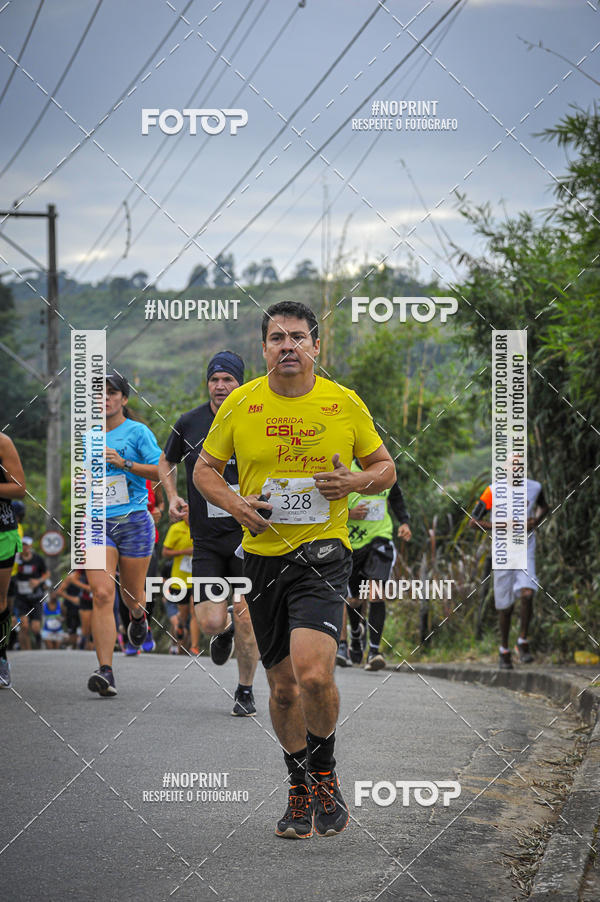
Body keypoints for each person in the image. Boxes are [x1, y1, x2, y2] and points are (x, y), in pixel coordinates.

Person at [193, 301, 396, 839]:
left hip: (324, 555)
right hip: (262, 560)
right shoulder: (240, 404)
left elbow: (385, 470)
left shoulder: (343, 402)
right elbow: (203, 471)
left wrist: (353, 482)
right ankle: (299, 784)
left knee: (313, 674)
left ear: (315, 347)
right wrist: (237, 505)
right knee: (282, 689)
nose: (289, 345)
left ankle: (325, 774)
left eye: (299, 337)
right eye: (278, 337)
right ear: (264, 348)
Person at [158, 350, 260, 717]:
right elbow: (166, 461)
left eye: (227, 380)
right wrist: (172, 496)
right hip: (206, 540)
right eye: (214, 379)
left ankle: (245, 690)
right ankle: (225, 630)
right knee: (211, 622)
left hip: (248, 537)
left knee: (247, 615)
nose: (220, 386)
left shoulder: (255, 420)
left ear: (241, 384)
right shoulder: (190, 423)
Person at [86, 372, 161, 697]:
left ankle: (137, 616)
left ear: (124, 399)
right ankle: (106, 670)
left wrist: (126, 463)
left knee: (131, 595)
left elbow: (163, 471)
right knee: (102, 594)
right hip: (96, 522)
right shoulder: (86, 437)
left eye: (112, 393)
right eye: (99, 394)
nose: (105, 398)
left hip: (134, 522)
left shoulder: (138, 432)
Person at [338, 459, 412, 670]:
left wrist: (404, 522)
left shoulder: (385, 470)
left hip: (380, 538)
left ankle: (374, 652)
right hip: (350, 542)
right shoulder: (344, 469)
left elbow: (396, 497)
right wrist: (348, 513)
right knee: (352, 599)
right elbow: (327, 502)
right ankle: (352, 638)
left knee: (376, 591)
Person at [470, 475, 549, 669]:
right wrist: (505, 526)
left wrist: (535, 521)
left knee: (528, 592)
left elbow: (544, 506)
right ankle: (504, 650)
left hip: (525, 548)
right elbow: (474, 522)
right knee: (505, 607)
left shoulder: (534, 487)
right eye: (511, 465)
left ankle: (522, 641)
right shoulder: (492, 491)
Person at [0, 435, 26, 687]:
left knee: (0, 598)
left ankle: (1, 657)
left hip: (2, 531)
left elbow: (19, 488)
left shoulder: (3, 442)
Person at [162, 513, 201, 654]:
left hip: (197, 578)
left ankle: (194, 647)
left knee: (194, 610)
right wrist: (186, 551)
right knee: (183, 617)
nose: (189, 515)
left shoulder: (201, 526)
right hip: (179, 580)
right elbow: (165, 552)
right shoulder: (176, 528)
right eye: (186, 512)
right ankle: (180, 648)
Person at [13, 537, 49, 651]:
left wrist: (38, 581)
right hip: (21, 597)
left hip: (36, 597)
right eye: (22, 545)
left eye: (26, 545)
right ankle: (27, 651)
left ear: (30, 546)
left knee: (35, 627)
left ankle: (38, 638)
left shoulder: (38, 559)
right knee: (24, 625)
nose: (24, 548)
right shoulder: (16, 559)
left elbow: (47, 574)